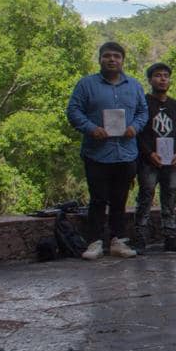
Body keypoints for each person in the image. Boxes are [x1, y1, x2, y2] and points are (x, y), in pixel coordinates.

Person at [66, 42, 148, 260]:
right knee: (98, 199)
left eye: (117, 56)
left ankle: (117, 241)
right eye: (107, 56)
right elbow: (73, 111)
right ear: (100, 59)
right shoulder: (86, 85)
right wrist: (91, 129)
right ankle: (94, 242)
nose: (112, 60)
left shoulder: (134, 86)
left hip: (126, 152)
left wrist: (135, 127)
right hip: (97, 152)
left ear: (123, 60)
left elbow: (143, 112)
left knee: (120, 199)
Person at [133, 62, 176, 253]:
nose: (162, 79)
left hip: (171, 160)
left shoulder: (175, 105)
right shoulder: (143, 103)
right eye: (158, 75)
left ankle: (170, 237)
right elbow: (138, 132)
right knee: (146, 196)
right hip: (149, 161)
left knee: (170, 197)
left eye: (166, 75)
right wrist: (149, 153)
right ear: (150, 80)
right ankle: (140, 237)